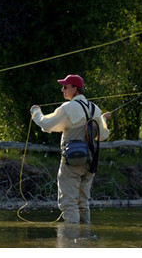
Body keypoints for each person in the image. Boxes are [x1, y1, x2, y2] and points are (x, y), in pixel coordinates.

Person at [30, 74, 111, 224]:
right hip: (90, 164)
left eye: (65, 87)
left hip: (71, 164)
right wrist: (103, 120)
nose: (62, 90)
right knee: (83, 204)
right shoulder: (96, 109)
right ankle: (85, 240)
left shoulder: (68, 108)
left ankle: (71, 241)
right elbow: (103, 135)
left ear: (75, 89)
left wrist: (36, 113)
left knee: (69, 204)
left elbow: (47, 125)